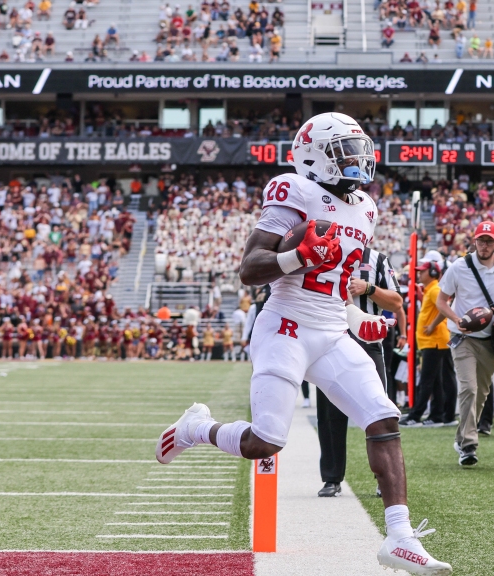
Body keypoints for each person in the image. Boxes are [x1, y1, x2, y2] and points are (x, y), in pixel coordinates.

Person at [154, 113, 452, 575]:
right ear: (314, 156)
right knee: (265, 441)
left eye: (358, 150)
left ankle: (400, 536)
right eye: (344, 152)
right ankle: (197, 429)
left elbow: (337, 279)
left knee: (384, 416)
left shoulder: (367, 208)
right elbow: (251, 268)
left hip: (332, 328)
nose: (357, 160)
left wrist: (358, 315)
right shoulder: (294, 189)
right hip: (286, 324)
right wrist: (297, 255)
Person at [435, 221, 494, 466]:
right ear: (474, 241)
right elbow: (441, 301)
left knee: (481, 393)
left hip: (490, 338)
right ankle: (468, 446)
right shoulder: (459, 266)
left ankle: (461, 435)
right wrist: (456, 319)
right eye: (481, 240)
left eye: (489, 241)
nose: (484, 245)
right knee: (469, 389)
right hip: (462, 336)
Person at [317, 246, 402, 498]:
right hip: (331, 343)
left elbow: (397, 302)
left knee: (378, 412)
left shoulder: (378, 260)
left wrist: (369, 289)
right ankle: (331, 478)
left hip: (367, 343)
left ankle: (383, 477)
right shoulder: (324, 253)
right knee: (329, 415)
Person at [401, 252, 456, 427]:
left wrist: (432, 325)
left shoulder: (434, 289)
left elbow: (445, 305)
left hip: (436, 341)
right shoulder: (430, 290)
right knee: (436, 381)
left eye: (422, 271)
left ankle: (415, 416)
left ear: (432, 273)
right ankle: (437, 415)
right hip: (433, 341)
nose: (419, 274)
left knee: (427, 380)